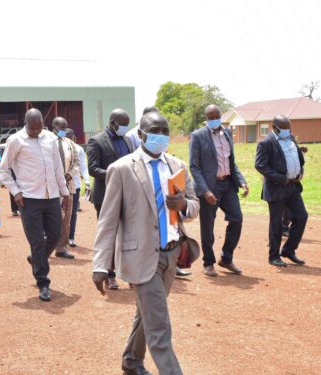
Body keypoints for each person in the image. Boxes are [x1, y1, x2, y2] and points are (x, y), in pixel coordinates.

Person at [92, 112, 199, 375]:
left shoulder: (177, 166)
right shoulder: (121, 169)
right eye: (154, 131)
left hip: (171, 254)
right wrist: (101, 264)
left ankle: (131, 360)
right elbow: (108, 221)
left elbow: (194, 206)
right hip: (139, 255)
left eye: (165, 131)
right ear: (140, 135)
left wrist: (184, 204)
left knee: (147, 314)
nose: (160, 136)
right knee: (159, 324)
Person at [0, 108, 69, 302]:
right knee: (37, 240)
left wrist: (64, 192)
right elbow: (3, 171)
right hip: (29, 198)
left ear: (43, 124)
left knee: (56, 235)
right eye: (32, 128)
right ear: (26, 124)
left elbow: (57, 167)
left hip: (52, 195)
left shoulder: (50, 139)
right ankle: (43, 282)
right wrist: (16, 192)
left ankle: (36, 259)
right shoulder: (15, 141)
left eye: (39, 128)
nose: (36, 132)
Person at [189, 104, 249, 277]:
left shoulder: (227, 133)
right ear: (206, 118)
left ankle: (226, 257)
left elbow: (231, 161)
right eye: (211, 116)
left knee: (237, 219)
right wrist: (205, 191)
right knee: (208, 226)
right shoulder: (198, 136)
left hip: (228, 185)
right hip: (209, 187)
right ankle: (208, 263)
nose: (215, 118)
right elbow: (194, 166)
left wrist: (241, 180)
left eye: (217, 115)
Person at [87, 108, 135, 290]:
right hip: (105, 196)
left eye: (126, 125)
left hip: (128, 195)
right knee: (109, 235)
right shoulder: (97, 141)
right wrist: (116, 175)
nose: (124, 128)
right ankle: (110, 273)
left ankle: (130, 272)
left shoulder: (128, 141)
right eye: (122, 125)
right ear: (112, 122)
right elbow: (93, 169)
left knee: (129, 234)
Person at [255, 115, 308, 267]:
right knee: (276, 223)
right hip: (276, 187)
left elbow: (299, 159)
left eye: (288, 128)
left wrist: (299, 172)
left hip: (293, 186)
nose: (286, 131)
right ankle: (274, 256)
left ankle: (289, 250)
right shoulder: (266, 143)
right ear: (274, 127)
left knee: (301, 216)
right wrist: (280, 178)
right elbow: (260, 165)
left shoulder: (290, 139)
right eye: (283, 128)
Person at [51, 117, 79, 258]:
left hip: (68, 186)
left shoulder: (69, 143)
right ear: (54, 126)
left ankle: (61, 248)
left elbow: (76, 162)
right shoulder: (47, 142)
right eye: (62, 126)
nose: (64, 129)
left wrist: (70, 173)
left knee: (66, 218)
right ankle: (46, 247)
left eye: (66, 126)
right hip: (51, 187)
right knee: (51, 217)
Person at [65, 129, 89, 247]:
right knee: (60, 213)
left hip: (75, 186)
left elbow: (83, 166)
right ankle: (60, 238)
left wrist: (88, 181)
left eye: (70, 136)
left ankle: (71, 237)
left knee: (73, 212)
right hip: (61, 185)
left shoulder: (78, 149)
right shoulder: (57, 147)